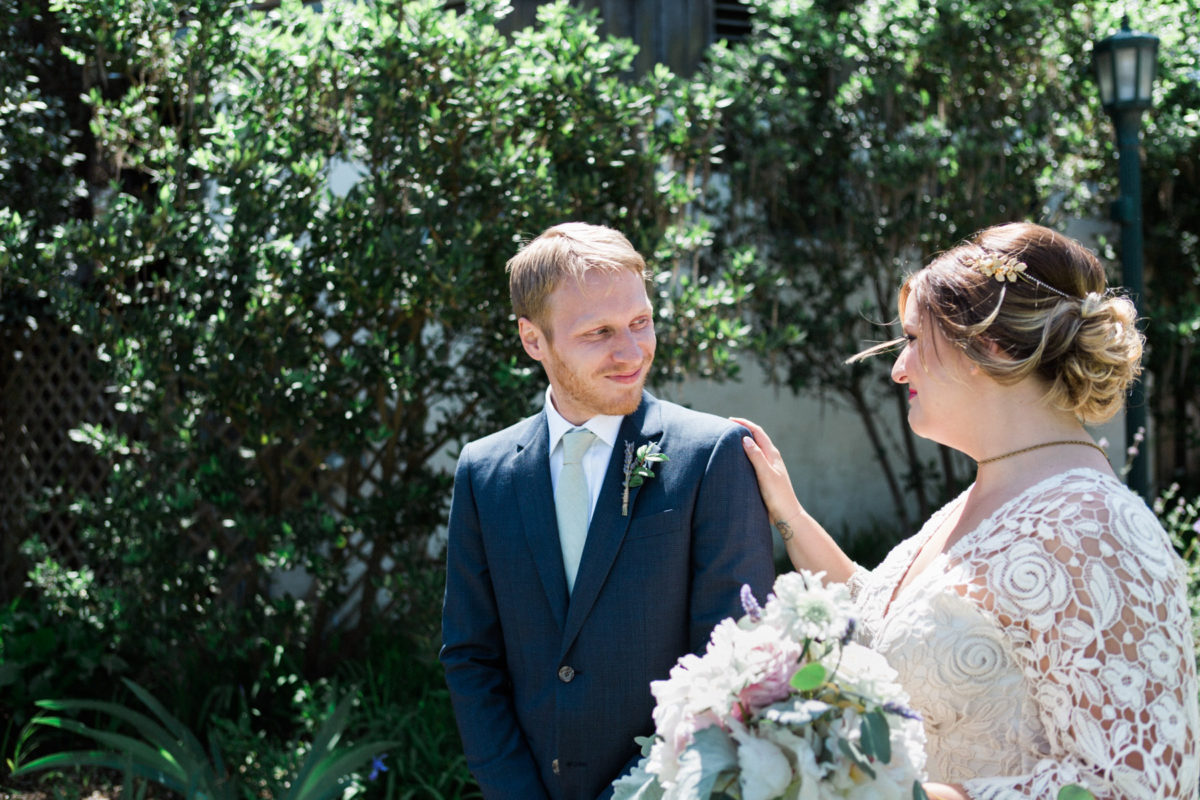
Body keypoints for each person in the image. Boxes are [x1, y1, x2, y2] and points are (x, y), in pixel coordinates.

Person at [735, 222, 1200, 800]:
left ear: (988, 347)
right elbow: (883, 627)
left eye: (911, 339)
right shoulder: (989, 495)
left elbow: (1142, 782)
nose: (897, 369)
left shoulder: (1095, 529)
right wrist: (787, 513)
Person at [440, 222, 776, 800]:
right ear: (533, 340)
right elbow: (472, 656)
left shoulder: (711, 456)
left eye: (640, 322)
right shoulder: (484, 471)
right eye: (598, 332)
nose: (631, 351)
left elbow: (733, 660)